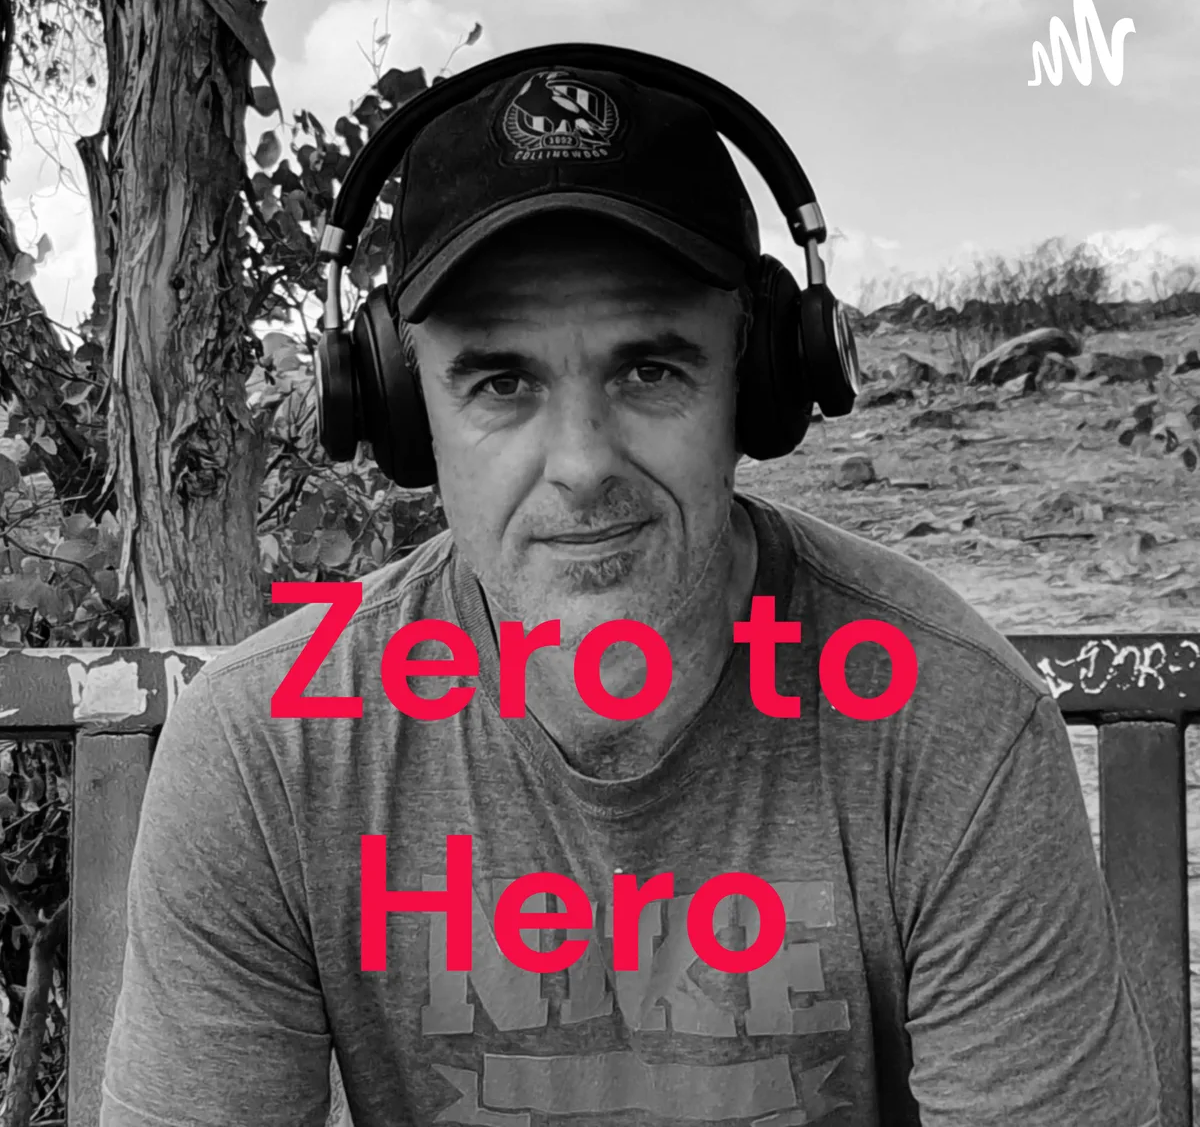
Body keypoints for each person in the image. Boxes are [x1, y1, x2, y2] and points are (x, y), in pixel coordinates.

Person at [100, 57, 1161, 1127]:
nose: (582, 464)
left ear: (756, 380)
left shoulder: (956, 727)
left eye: (650, 370)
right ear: (399, 408)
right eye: (501, 381)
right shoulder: (264, 754)